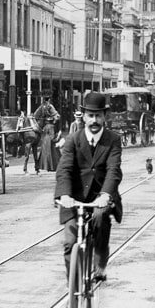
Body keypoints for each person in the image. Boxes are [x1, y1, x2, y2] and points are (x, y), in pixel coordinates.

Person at [54, 91, 123, 281]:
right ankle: (73, 290)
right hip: (74, 198)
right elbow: (64, 169)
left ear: (104, 117)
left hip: (99, 197)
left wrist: (106, 195)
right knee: (69, 243)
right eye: (90, 116)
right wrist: (64, 195)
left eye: (98, 116)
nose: (94, 120)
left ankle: (100, 263)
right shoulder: (73, 140)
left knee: (101, 218)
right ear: (83, 116)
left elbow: (113, 170)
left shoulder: (113, 140)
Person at [33, 96, 60, 174]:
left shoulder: (47, 106)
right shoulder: (46, 106)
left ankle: (47, 165)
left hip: (48, 127)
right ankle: (49, 165)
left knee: (47, 145)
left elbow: (56, 116)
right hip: (47, 128)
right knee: (47, 145)